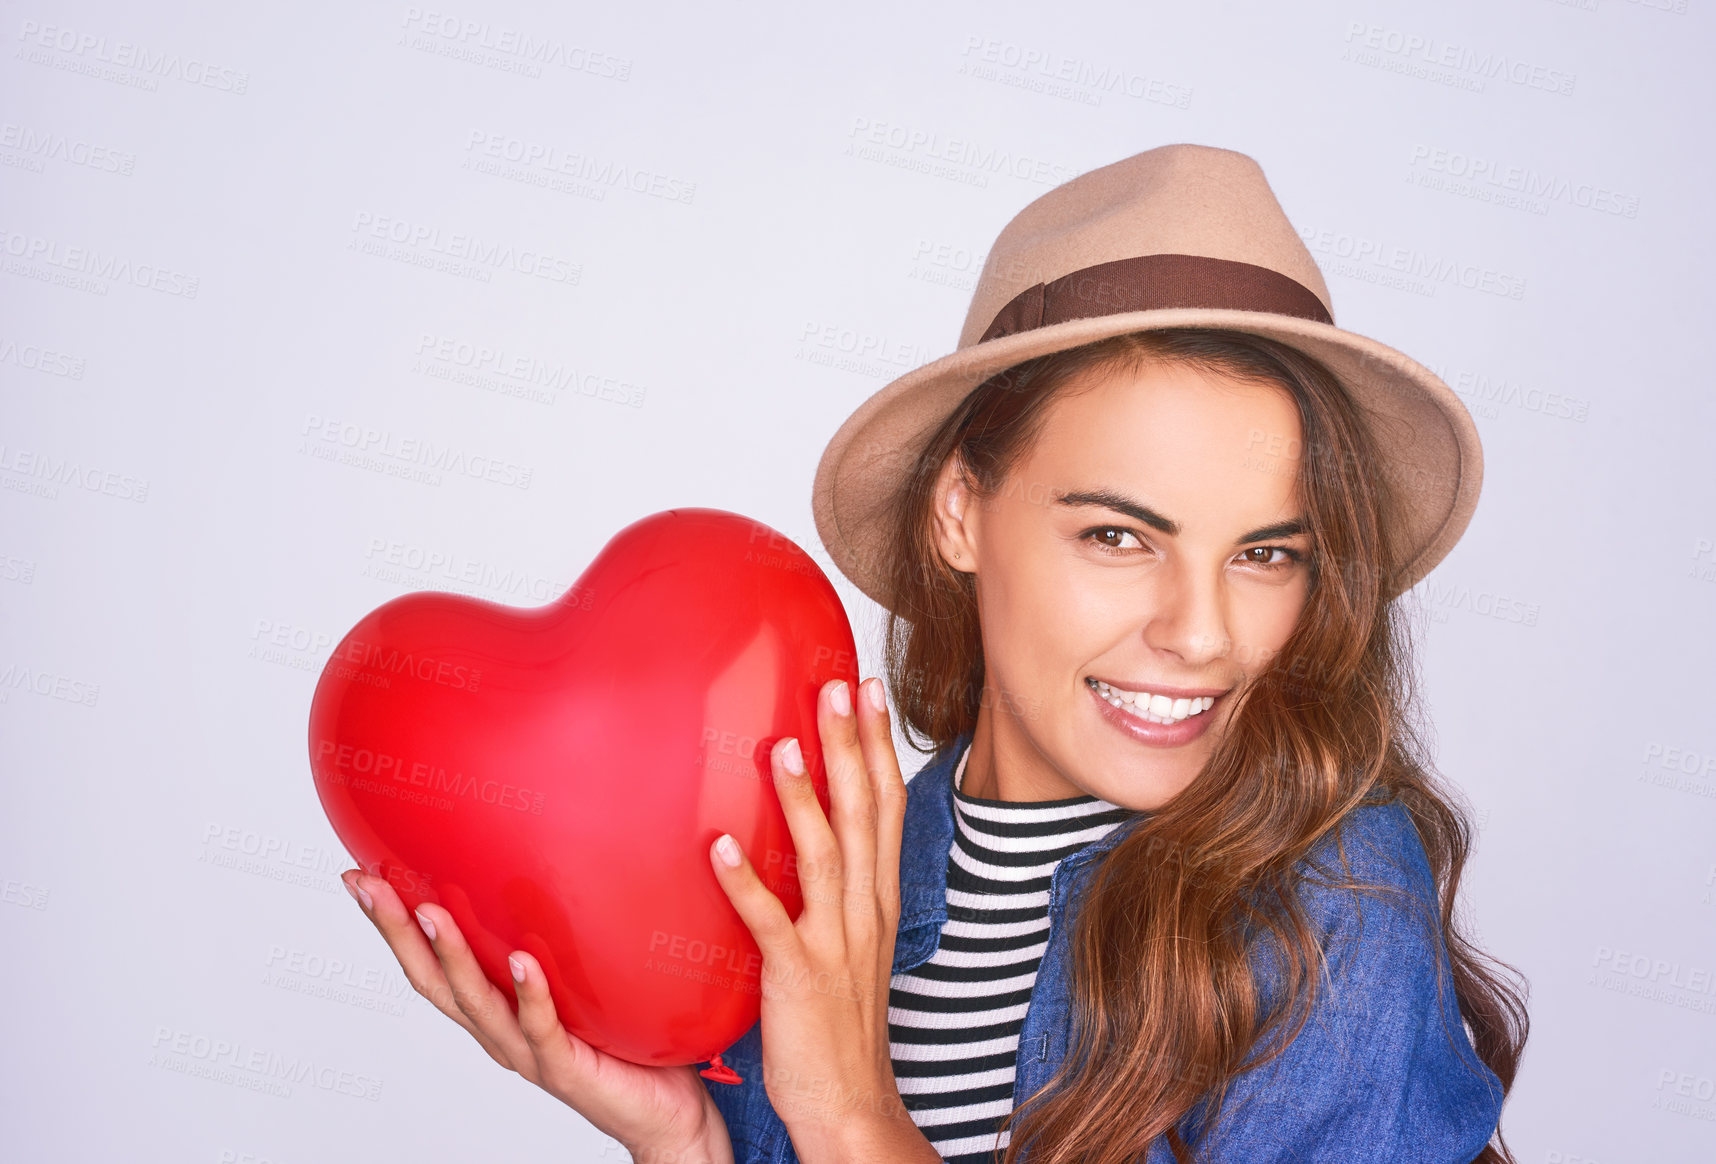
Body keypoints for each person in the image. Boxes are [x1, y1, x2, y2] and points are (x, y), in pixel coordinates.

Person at [341, 144, 1529, 1163]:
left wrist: (855, 1121)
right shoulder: (817, 879)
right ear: (961, 510)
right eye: (1119, 535)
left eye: (1268, 554)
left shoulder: (1326, 897)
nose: (1203, 633)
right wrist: (688, 1142)